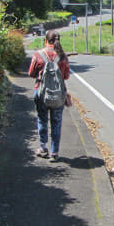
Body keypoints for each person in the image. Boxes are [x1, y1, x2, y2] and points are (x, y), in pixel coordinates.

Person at [28, 30, 70, 162]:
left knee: (42, 120)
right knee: (56, 122)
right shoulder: (63, 57)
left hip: (41, 92)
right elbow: (66, 76)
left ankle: (43, 148)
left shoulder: (38, 55)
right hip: (58, 95)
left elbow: (31, 73)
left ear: (46, 40)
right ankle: (54, 152)